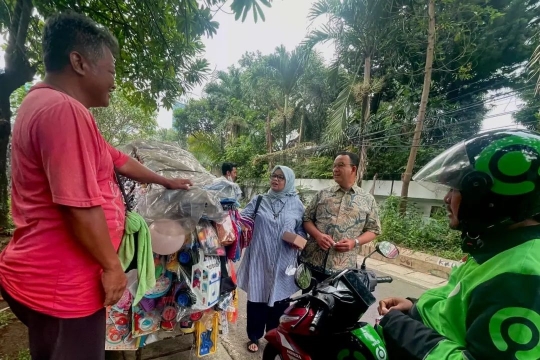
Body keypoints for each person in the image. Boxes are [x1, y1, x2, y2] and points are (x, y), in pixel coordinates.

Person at [0, 12, 192, 360]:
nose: (114, 82)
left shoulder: (53, 106)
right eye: (112, 70)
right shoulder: (61, 110)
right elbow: (78, 205)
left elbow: (118, 159)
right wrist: (112, 266)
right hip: (62, 287)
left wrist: (165, 179)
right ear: (79, 62)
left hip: (53, 279)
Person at [377, 129, 540, 360]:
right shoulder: (494, 248)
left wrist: (400, 327)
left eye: (455, 189)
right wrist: (415, 308)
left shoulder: (520, 274)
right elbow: (459, 310)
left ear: (485, 196)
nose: (446, 199)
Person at [237, 166, 306, 353]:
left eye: (281, 177)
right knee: (256, 300)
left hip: (284, 260)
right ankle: (254, 336)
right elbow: (242, 219)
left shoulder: (297, 204)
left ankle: (274, 336)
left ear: (289, 181)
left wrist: (298, 240)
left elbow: (301, 230)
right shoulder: (260, 200)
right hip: (259, 257)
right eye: (273, 176)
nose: (275, 180)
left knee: (279, 304)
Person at [300, 151, 381, 282]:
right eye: (334, 166)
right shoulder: (322, 194)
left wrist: (354, 242)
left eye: (341, 165)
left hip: (343, 270)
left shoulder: (367, 199)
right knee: (307, 301)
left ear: (353, 169)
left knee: (336, 302)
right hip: (313, 264)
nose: (335, 169)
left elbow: (374, 230)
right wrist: (318, 236)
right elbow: (306, 219)